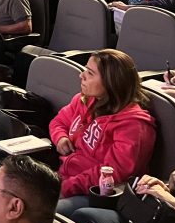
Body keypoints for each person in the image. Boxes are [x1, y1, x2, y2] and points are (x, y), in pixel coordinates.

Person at [50, 50, 156, 210]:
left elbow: (111, 174)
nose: (81, 75)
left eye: (90, 73)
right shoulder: (84, 100)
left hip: (96, 194)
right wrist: (60, 137)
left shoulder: (134, 126)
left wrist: (64, 187)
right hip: (64, 178)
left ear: (111, 82)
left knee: (40, 215)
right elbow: (59, 122)